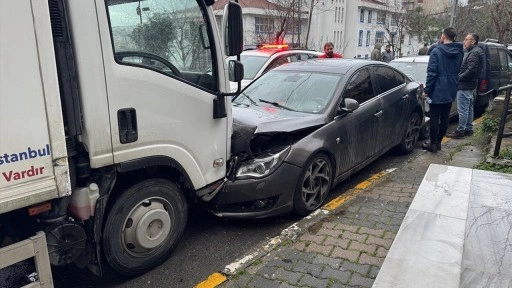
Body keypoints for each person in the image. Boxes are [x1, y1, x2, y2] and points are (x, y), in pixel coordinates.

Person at [422, 27, 464, 153]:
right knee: (445, 117)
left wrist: (427, 90)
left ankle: (433, 144)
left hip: (437, 89)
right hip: (451, 87)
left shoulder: (436, 51)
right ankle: (439, 143)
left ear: (443, 36)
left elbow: (432, 73)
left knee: (434, 117)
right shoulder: (459, 51)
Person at [446, 33, 484, 139]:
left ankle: (461, 130)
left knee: (463, 109)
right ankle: (468, 128)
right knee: (469, 108)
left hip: (465, 85)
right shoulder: (475, 51)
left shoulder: (474, 53)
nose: (464, 41)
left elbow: (471, 69)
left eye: (466, 39)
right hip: (470, 85)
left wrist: (458, 78)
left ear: (473, 41)